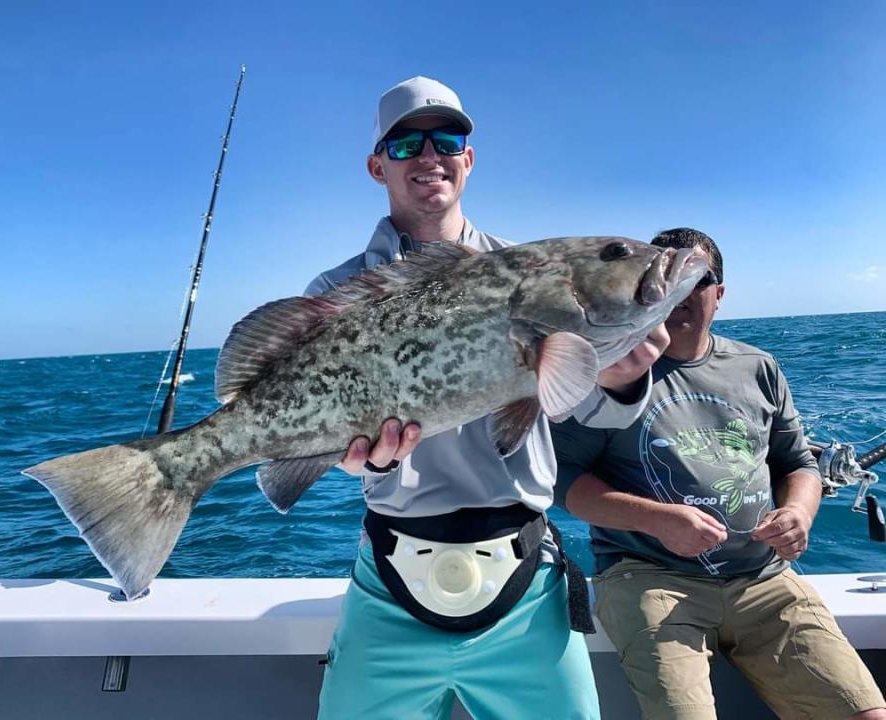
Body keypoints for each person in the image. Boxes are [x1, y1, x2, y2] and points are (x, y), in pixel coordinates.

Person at [305, 76, 668, 720]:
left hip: (525, 580)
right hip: (389, 575)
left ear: (467, 159)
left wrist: (621, 376)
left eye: (448, 139)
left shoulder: (528, 268)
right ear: (376, 165)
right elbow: (326, 428)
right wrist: (354, 458)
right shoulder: (338, 289)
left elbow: (586, 412)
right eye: (405, 143)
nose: (429, 156)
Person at [551, 227, 886, 720]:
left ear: (720, 293)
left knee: (863, 713)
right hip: (649, 578)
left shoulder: (758, 367)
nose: (680, 291)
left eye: (698, 278)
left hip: (764, 578)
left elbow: (797, 463)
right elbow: (565, 483)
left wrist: (798, 513)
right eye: (661, 277)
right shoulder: (611, 371)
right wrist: (657, 520)